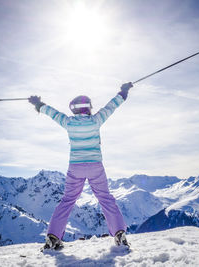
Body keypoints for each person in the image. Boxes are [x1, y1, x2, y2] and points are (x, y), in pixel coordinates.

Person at [29, 82, 133, 250]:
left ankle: (53, 237)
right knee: (105, 199)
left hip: (75, 167)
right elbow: (111, 106)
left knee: (67, 200)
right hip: (95, 166)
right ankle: (119, 234)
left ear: (74, 109)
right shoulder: (96, 121)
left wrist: (38, 104)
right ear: (89, 108)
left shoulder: (68, 122)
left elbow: (52, 113)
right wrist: (123, 91)